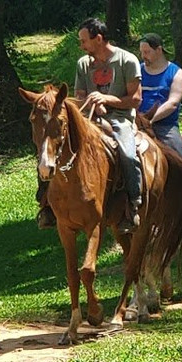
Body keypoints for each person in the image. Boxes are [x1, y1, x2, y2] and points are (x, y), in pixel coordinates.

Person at [74, 17, 143, 232]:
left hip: (120, 118)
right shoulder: (83, 64)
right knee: (58, 148)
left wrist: (107, 100)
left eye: (84, 41)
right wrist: (91, 105)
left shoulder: (127, 60)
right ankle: (49, 204)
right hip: (90, 119)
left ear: (99, 39)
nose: (82, 46)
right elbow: (79, 97)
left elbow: (136, 99)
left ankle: (134, 202)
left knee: (128, 154)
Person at [138, 32, 182, 163]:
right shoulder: (137, 71)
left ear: (159, 50)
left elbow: (173, 103)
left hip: (165, 126)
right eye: (141, 52)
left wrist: (150, 120)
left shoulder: (176, 73)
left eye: (147, 52)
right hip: (137, 124)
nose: (143, 56)